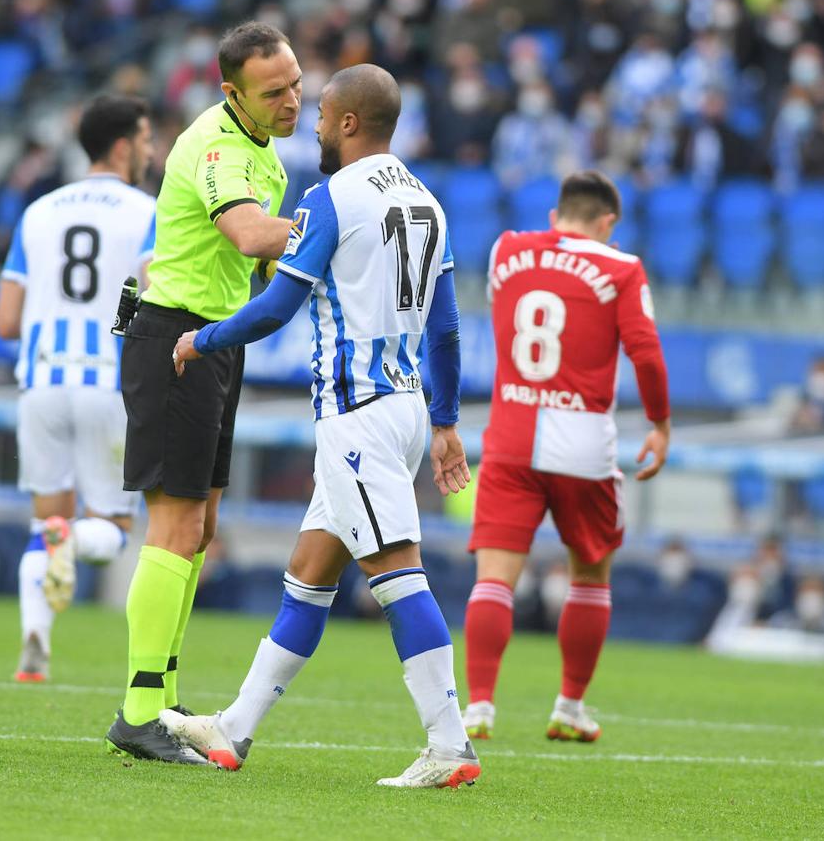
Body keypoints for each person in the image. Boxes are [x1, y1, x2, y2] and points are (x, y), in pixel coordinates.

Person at [160, 64, 480, 789]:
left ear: (345, 123)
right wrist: (446, 421)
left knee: (396, 573)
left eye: (320, 116)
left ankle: (450, 744)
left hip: (355, 417)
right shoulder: (428, 202)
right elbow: (449, 329)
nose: (312, 126)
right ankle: (234, 730)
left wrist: (201, 339)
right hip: (399, 406)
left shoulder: (330, 197)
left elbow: (276, 307)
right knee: (308, 575)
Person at [104, 21, 300, 765]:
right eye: (273, 91)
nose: (290, 100)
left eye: (295, 84)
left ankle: (163, 700)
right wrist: (333, 229)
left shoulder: (260, 149)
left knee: (201, 527)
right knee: (176, 527)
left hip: (213, 344)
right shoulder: (220, 147)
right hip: (178, 344)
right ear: (232, 92)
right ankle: (141, 709)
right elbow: (251, 236)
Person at [461, 170, 670, 744]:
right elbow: (646, 353)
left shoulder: (507, 249)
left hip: (509, 434)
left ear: (556, 217)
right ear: (608, 224)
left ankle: (478, 706)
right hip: (583, 441)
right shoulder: (621, 266)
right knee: (591, 573)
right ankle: (570, 705)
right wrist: (659, 423)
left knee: (495, 580)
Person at [0, 94, 156, 683]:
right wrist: (114, 325)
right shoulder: (147, 210)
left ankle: (34, 640)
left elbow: (6, 321)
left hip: (39, 385)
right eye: (144, 138)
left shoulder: (38, 212)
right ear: (121, 145)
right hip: (107, 384)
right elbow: (151, 291)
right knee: (110, 532)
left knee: (46, 524)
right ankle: (68, 540)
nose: (150, 149)